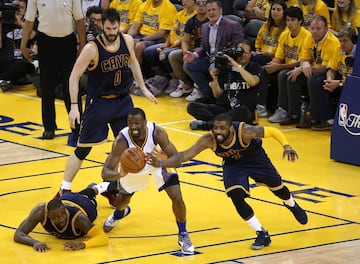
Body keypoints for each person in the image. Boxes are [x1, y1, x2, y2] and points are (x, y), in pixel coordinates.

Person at [147, 113, 308, 250]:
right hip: (233, 164)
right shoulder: (208, 139)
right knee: (235, 195)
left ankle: (291, 204)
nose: (217, 131)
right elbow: (185, 156)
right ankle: (261, 233)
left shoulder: (245, 131)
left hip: (255, 158)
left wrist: (286, 146)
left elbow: (272, 131)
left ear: (231, 128)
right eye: (215, 127)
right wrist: (161, 163)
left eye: (222, 128)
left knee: (278, 189)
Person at [54, 9, 157, 201]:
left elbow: (133, 62)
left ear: (119, 26)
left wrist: (143, 87)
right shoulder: (92, 48)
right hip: (99, 102)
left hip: (123, 101)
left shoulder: (127, 40)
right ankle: (64, 189)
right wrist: (75, 106)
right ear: (102, 26)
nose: (111, 32)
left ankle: (109, 187)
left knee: (130, 149)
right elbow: (74, 76)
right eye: (108, 28)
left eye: (114, 28)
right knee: (84, 148)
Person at [101, 108, 194, 255]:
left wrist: (161, 163)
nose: (133, 127)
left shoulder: (157, 132)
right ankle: (118, 214)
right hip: (132, 168)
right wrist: (120, 173)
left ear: (145, 123)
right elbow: (105, 172)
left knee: (177, 197)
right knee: (122, 201)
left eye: (137, 123)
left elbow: (177, 159)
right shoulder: (122, 139)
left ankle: (183, 234)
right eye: (130, 123)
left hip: (157, 163)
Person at [21, 0, 86, 141]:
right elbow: (29, 20)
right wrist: (23, 43)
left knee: (71, 85)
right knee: (47, 86)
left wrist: (82, 44)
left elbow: (79, 19)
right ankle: (49, 127)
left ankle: (77, 127)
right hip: (45, 42)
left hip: (67, 42)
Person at [13, 183, 112, 252]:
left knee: (89, 195)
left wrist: (82, 244)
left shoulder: (78, 219)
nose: (61, 219)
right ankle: (93, 188)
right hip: (66, 198)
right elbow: (19, 234)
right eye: (56, 217)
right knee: (78, 194)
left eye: (63, 214)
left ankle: (103, 186)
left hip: (85, 204)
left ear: (65, 210)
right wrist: (35, 243)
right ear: (47, 215)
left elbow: (103, 238)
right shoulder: (41, 211)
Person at [188, 40, 261, 130]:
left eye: (245, 53)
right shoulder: (226, 69)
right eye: (240, 52)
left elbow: (253, 82)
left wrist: (237, 65)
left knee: (243, 111)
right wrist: (214, 78)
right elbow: (217, 95)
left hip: (242, 110)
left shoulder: (255, 67)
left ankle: (208, 125)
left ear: (250, 54)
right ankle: (219, 123)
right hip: (224, 108)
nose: (242, 55)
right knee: (192, 106)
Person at [182, 0, 244, 102]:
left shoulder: (233, 25)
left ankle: (219, 97)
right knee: (188, 65)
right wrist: (194, 55)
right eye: (209, 10)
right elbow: (203, 47)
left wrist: (221, 56)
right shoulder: (205, 27)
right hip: (209, 58)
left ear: (220, 11)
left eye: (213, 9)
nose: (211, 12)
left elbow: (237, 46)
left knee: (213, 67)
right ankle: (209, 95)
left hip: (224, 59)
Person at [265, 6, 312, 124]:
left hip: (302, 69)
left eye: (293, 20)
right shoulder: (284, 35)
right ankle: (261, 106)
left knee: (282, 74)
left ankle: (285, 110)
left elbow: (303, 61)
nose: (289, 23)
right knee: (263, 70)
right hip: (287, 66)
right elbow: (279, 57)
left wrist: (278, 67)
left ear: (300, 21)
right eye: (287, 20)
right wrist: (272, 64)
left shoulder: (307, 36)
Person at [296, 15, 340, 129]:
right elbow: (304, 58)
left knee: (316, 80)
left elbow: (327, 67)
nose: (314, 31)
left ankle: (322, 118)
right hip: (313, 70)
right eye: (312, 28)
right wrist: (304, 65)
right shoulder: (309, 38)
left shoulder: (333, 42)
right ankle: (293, 113)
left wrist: (303, 68)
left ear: (326, 29)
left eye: (318, 28)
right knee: (288, 75)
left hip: (330, 72)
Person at [143, 0, 196, 81]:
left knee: (164, 54)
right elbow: (172, 32)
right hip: (172, 44)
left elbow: (186, 39)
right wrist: (166, 45)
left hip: (184, 46)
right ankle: (161, 78)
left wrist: (169, 48)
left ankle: (178, 80)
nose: (185, 1)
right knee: (149, 51)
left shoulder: (195, 17)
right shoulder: (179, 14)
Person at [252, 0, 287, 117]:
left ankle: (261, 106)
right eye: (273, 9)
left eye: (278, 10)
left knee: (261, 68)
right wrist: (257, 50)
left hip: (277, 59)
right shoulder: (265, 25)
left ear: (284, 12)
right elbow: (258, 42)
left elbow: (282, 52)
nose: (275, 12)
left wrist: (270, 54)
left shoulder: (286, 30)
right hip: (262, 56)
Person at [168, 0, 209, 97]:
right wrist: (185, 51)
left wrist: (198, 51)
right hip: (193, 49)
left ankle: (198, 88)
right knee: (173, 56)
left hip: (205, 51)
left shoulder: (211, 20)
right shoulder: (191, 20)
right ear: (195, 5)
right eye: (198, 4)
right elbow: (185, 40)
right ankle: (185, 84)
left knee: (189, 63)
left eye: (204, 4)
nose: (201, 6)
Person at [318, 27, 357, 130]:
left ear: (353, 41)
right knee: (319, 82)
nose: (342, 44)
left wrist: (338, 83)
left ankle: (346, 122)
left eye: (345, 41)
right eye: (340, 41)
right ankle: (328, 118)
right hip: (342, 82)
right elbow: (331, 68)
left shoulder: (358, 55)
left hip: (354, 86)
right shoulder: (338, 50)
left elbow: (357, 80)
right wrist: (329, 80)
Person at [127, 0, 177, 67]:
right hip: (141, 35)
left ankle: (137, 75)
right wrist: (127, 38)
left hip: (158, 39)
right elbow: (135, 27)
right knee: (126, 42)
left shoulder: (168, 8)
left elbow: (161, 33)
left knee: (139, 46)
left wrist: (141, 40)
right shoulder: (144, 5)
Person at [0, 0, 37, 92]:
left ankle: (3, 79)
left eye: (21, 7)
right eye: (15, 7)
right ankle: (5, 80)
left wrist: (20, 23)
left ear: (26, 10)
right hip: (4, 62)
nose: (18, 10)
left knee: (23, 63)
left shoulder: (31, 23)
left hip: (21, 64)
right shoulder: (4, 23)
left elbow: (32, 35)